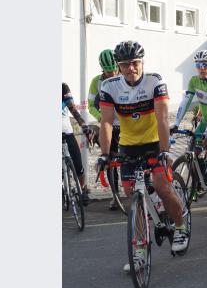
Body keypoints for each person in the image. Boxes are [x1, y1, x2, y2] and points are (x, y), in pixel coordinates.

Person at [96, 41, 189, 266]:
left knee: (162, 187)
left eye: (135, 63)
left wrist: (165, 151)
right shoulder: (110, 87)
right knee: (131, 195)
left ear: (142, 62)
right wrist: (105, 154)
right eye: (125, 65)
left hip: (155, 143)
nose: (131, 68)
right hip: (128, 146)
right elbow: (106, 123)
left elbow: (162, 119)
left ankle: (180, 227)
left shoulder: (154, 82)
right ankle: (140, 249)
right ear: (118, 66)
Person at [88, 49, 122, 210]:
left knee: (133, 159)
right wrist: (102, 119)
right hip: (109, 126)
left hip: (127, 125)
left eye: (115, 69)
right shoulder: (96, 82)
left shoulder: (124, 76)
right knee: (110, 161)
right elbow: (90, 105)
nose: (113, 73)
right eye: (108, 70)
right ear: (102, 68)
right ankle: (115, 196)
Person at [171, 50, 207, 144]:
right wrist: (176, 123)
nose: (201, 69)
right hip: (204, 123)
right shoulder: (194, 81)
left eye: (205, 65)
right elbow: (186, 101)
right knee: (194, 148)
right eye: (198, 65)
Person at [62, 82, 92, 205]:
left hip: (67, 133)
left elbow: (73, 109)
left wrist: (83, 125)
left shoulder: (62, 87)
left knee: (78, 165)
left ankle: (81, 190)